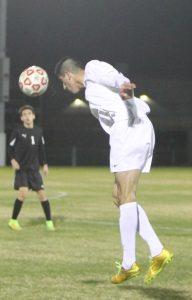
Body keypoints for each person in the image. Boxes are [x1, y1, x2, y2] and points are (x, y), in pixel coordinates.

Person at [54, 57, 173, 284]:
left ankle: (129, 264)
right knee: (121, 196)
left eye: (62, 81)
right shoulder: (91, 95)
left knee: (127, 196)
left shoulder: (93, 68)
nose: (64, 86)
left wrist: (130, 112)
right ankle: (157, 251)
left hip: (130, 129)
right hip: (125, 135)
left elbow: (124, 82)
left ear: (68, 75)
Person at [8, 105, 55, 231]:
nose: (27, 116)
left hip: (34, 170)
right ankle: (13, 221)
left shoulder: (39, 131)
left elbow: (42, 149)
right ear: (22, 118)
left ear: (33, 116)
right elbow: (10, 148)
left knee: (43, 196)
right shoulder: (17, 131)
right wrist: (12, 160)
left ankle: (49, 222)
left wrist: (45, 164)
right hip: (22, 169)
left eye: (29, 113)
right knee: (23, 193)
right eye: (24, 114)